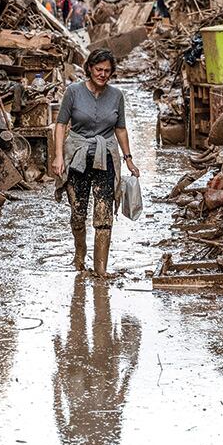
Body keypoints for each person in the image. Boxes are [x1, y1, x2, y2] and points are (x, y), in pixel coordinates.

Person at [53, 49, 139, 277]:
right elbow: (61, 124)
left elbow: (120, 128)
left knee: (104, 216)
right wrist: (58, 156)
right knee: (78, 214)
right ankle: (80, 251)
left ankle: (101, 269)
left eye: (107, 71)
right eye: (98, 69)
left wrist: (128, 159)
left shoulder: (116, 95)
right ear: (89, 68)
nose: (102, 74)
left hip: (106, 158)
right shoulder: (73, 92)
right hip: (77, 158)